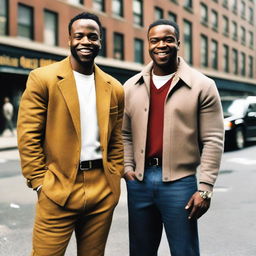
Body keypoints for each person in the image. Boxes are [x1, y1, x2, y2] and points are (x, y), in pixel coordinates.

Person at [17, 12, 124, 256]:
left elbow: (116, 139)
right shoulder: (42, 78)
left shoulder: (114, 87)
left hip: (101, 189)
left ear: (100, 42)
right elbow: (28, 135)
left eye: (92, 37)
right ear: (69, 40)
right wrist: (40, 183)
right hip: (58, 188)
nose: (86, 41)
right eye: (79, 36)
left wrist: (114, 182)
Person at [122, 19, 224, 256]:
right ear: (148, 44)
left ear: (178, 43)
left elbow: (213, 138)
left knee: (184, 251)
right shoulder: (130, 86)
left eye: (168, 39)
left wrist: (206, 188)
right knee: (140, 251)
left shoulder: (203, 86)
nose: (161, 45)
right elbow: (125, 133)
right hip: (139, 181)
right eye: (155, 40)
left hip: (180, 183)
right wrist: (127, 168)